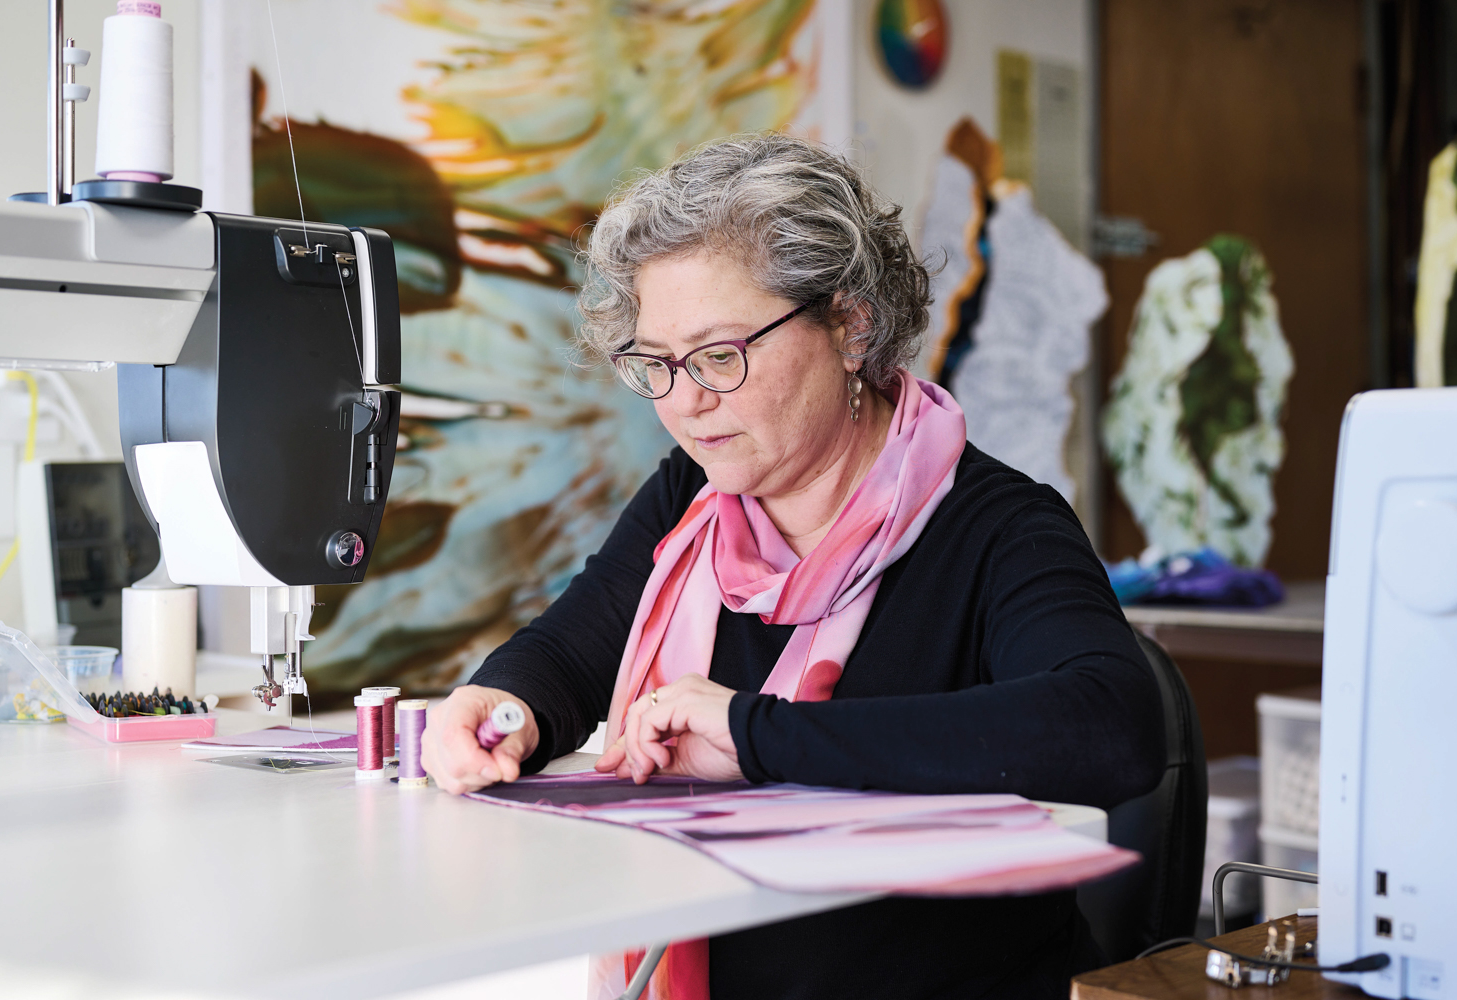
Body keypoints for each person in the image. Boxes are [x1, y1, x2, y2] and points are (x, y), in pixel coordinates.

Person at [421, 133, 1165, 999]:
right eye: (655, 364)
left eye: (720, 355)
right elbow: (573, 651)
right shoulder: (692, 498)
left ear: (849, 326)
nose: (686, 401)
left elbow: (1111, 725)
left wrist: (755, 734)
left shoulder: (997, 526)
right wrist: (501, 703)